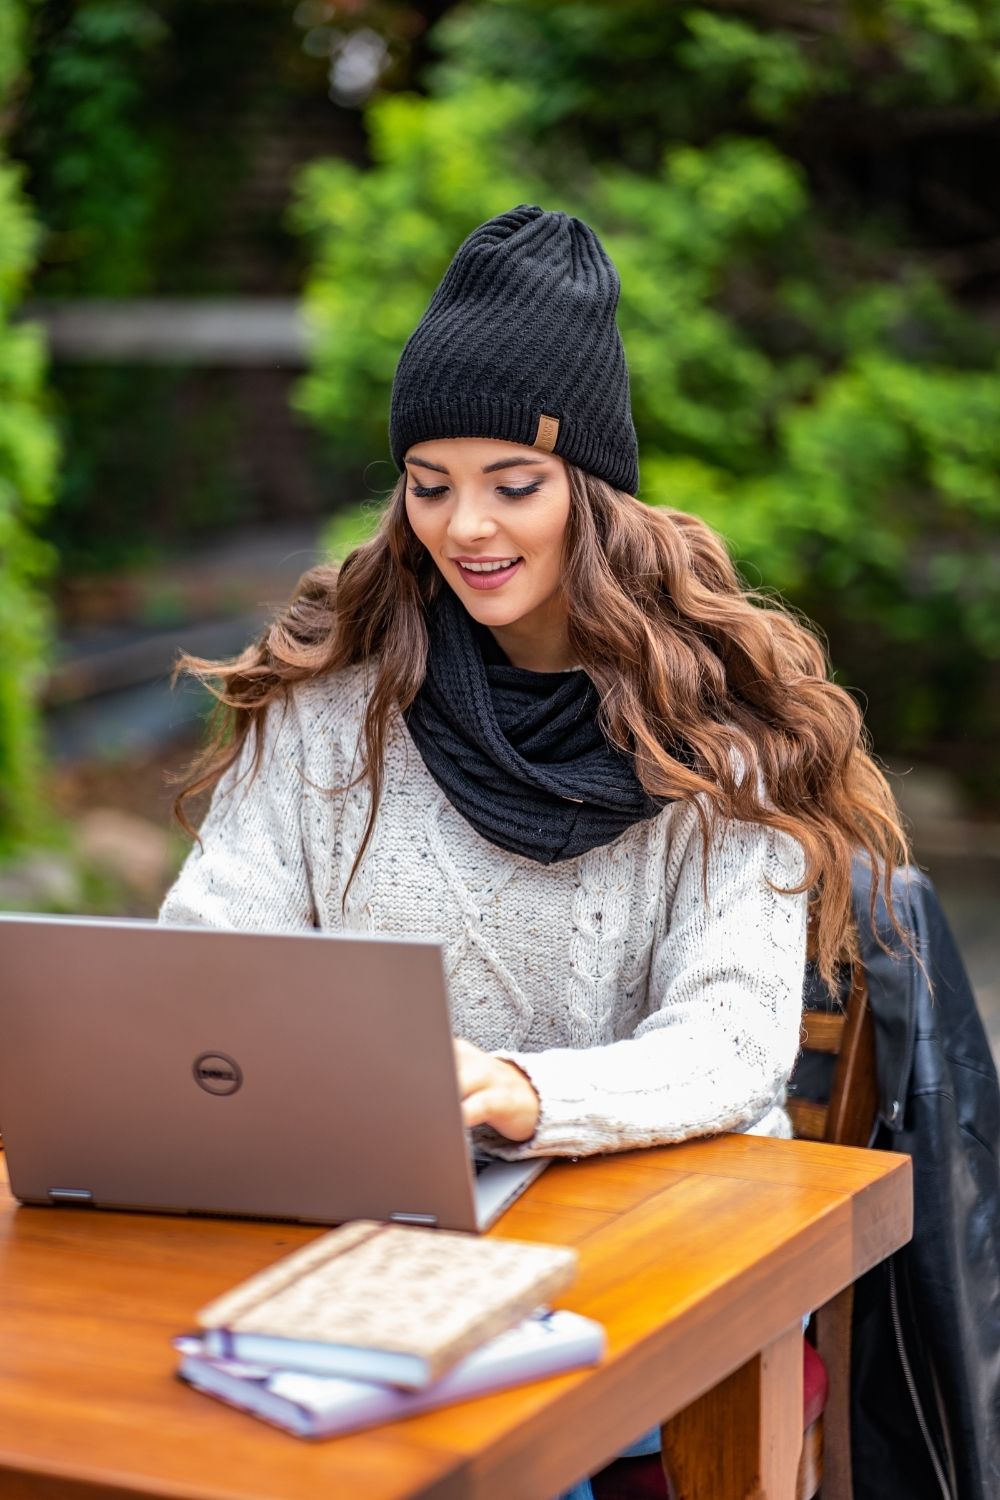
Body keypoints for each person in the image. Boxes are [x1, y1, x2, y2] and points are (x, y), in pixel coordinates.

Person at [160, 204, 908, 1497]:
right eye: (429, 482)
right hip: (359, 1227)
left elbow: (733, 1049)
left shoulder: (717, 739)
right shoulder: (333, 700)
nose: (466, 529)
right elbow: (209, 962)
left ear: (592, 491)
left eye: (514, 483)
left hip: (638, 1249)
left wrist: (526, 1093)